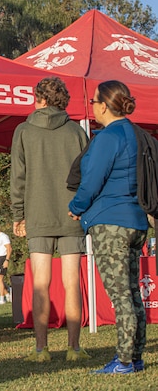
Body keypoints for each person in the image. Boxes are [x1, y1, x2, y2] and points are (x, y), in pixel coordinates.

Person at [69, 80, 149, 374]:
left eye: (92, 103)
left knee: (120, 296)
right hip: (135, 221)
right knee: (132, 293)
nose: (91, 108)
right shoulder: (136, 133)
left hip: (110, 223)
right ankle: (135, 356)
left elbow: (92, 180)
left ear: (104, 105)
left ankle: (124, 360)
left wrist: (76, 207)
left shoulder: (107, 137)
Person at [10, 76, 90, 363]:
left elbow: (18, 179)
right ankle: (74, 348)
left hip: (38, 212)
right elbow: (87, 175)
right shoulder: (77, 132)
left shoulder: (23, 131)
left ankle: (41, 350)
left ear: (40, 99)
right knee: (72, 282)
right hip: (73, 213)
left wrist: (18, 215)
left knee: (40, 283)